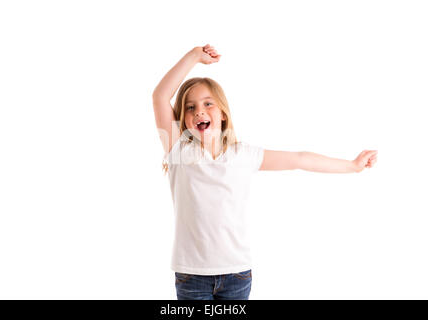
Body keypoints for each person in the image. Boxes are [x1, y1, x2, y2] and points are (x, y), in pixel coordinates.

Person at [152, 44, 378, 300]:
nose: (199, 111)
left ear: (223, 114)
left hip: (236, 274)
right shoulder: (180, 151)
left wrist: (351, 165)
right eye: (190, 107)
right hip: (192, 275)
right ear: (183, 118)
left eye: (207, 104)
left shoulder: (243, 155)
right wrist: (194, 56)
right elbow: (160, 96)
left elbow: (300, 159)